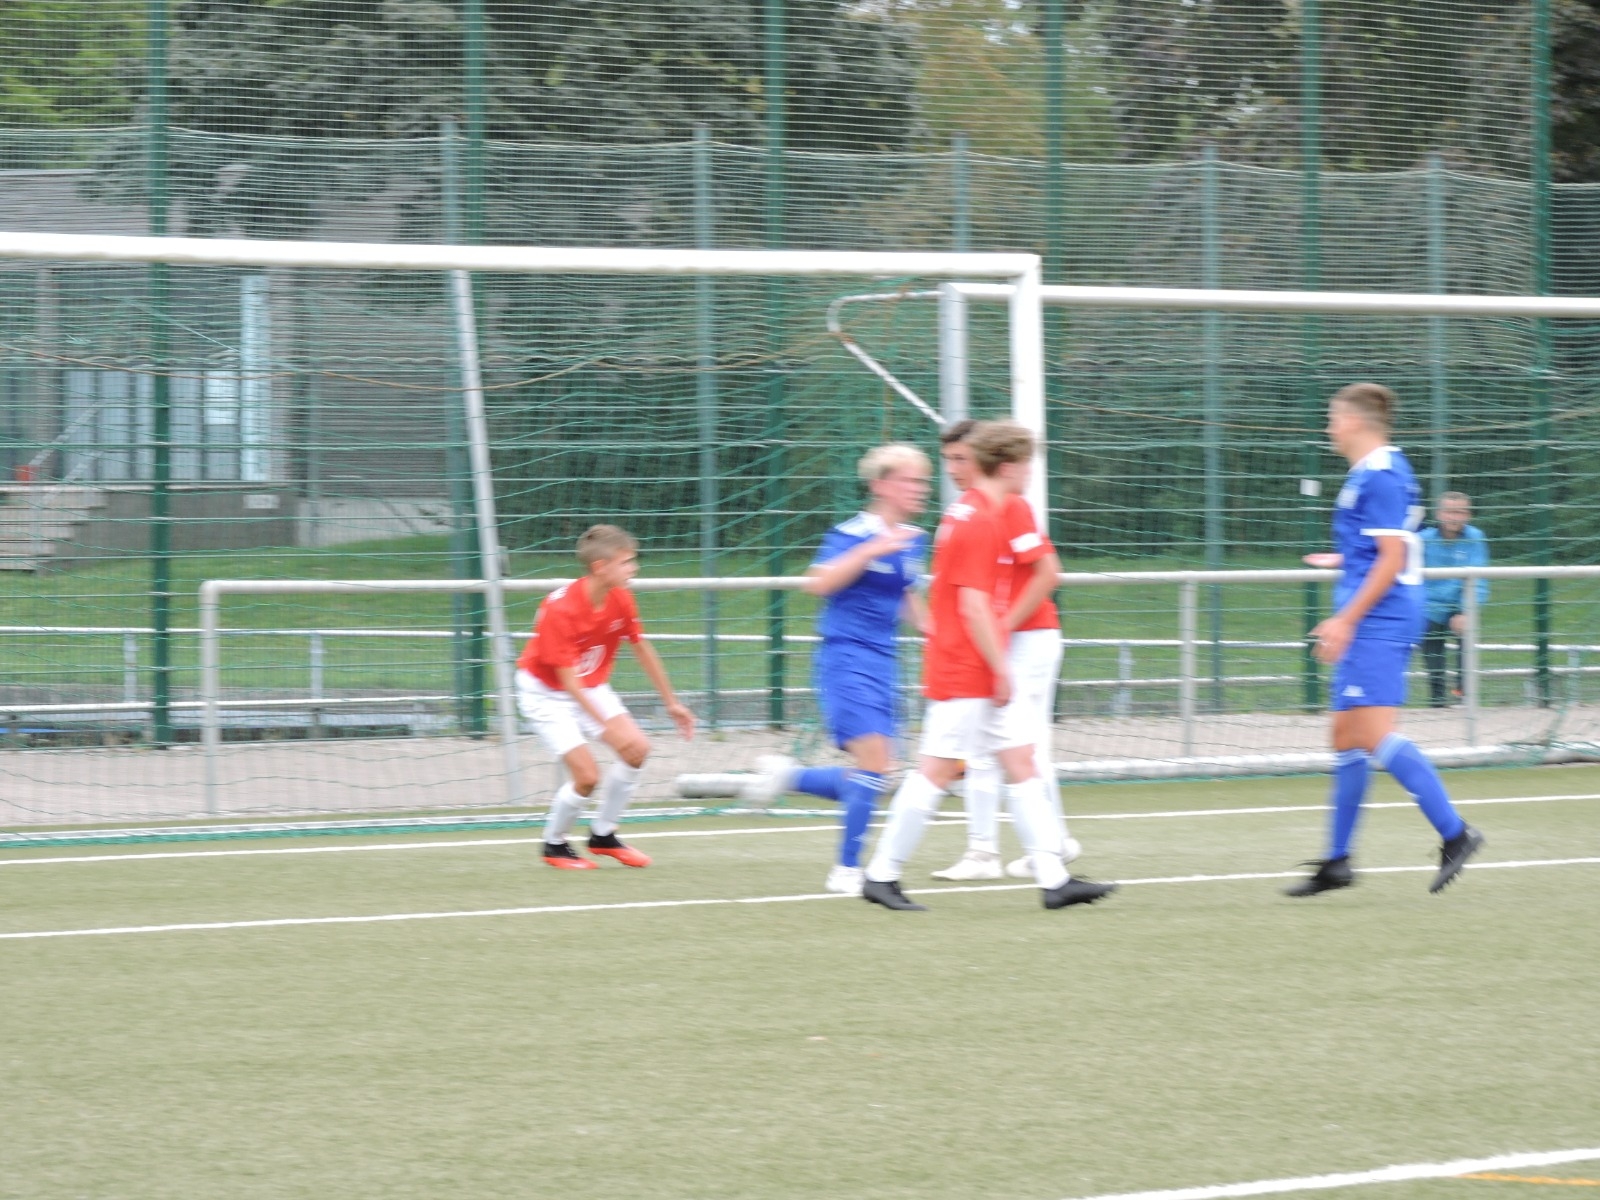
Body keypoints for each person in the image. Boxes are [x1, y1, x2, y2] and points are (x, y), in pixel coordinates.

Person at [860, 419, 1117, 912]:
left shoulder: (980, 512)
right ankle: (881, 874)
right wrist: (1000, 668)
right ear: (1009, 466)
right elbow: (974, 605)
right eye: (1027, 464)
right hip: (965, 666)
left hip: (974, 659)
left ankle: (1054, 879)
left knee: (1020, 763)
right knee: (936, 770)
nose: (1030, 473)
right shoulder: (978, 519)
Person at [1288, 383, 1484, 898]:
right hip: (1373, 614)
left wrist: (1345, 620)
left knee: (1373, 735)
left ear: (1356, 421)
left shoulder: (1382, 473)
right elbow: (1388, 546)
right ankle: (1337, 862)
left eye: (1334, 417)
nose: (1329, 427)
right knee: (1345, 737)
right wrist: (1345, 558)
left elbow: (1394, 560)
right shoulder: (1369, 472)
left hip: (1381, 618)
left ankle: (1456, 834)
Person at [741, 444, 932, 896]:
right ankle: (846, 871)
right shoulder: (853, 533)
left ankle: (789, 777)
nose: (920, 489)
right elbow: (820, 582)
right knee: (874, 763)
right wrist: (871, 549)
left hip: (885, 662)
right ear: (880, 484)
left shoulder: (913, 538)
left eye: (923, 481)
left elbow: (906, 594)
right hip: (846, 657)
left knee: (877, 772)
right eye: (910, 481)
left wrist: (936, 633)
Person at [927, 419, 1081, 882]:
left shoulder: (1008, 507)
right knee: (1001, 748)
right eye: (948, 460)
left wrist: (1002, 625)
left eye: (962, 458)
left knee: (1016, 748)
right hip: (1008, 640)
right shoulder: (971, 510)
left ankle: (1032, 848)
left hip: (1028, 639)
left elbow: (1048, 573)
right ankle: (1019, 849)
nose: (954, 468)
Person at [517, 524, 696, 870]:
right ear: (600, 567)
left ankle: (603, 835)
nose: (634, 568)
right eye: (626, 562)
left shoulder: (620, 597)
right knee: (587, 777)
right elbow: (569, 684)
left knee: (637, 750)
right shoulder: (560, 610)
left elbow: (641, 647)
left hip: (588, 686)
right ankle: (555, 845)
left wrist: (671, 702)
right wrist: (606, 727)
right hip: (546, 694)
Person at [1420, 491, 1490, 707]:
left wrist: (1465, 611)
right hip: (1430, 606)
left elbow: (1479, 579)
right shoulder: (1423, 540)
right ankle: (1438, 700)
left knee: (1467, 633)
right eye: (1449, 512)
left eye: (1459, 512)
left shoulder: (1475, 537)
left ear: (1468, 515)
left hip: (1461, 602)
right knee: (1431, 642)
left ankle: (1462, 695)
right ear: (1439, 514)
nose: (1454, 517)